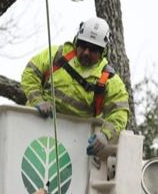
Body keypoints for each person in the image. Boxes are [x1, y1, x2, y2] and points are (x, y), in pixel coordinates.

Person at [21, 16, 130, 156]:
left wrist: (105, 135)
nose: (86, 52)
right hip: (36, 126)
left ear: (103, 51)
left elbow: (120, 110)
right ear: (77, 41)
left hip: (73, 142)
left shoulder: (108, 79)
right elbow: (31, 72)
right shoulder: (57, 55)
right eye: (83, 45)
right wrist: (38, 100)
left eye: (93, 49)